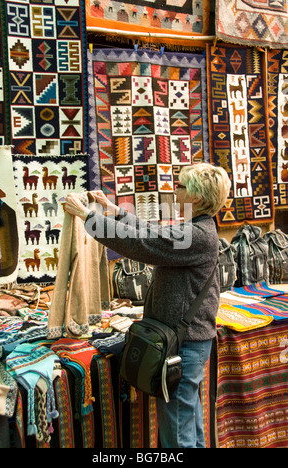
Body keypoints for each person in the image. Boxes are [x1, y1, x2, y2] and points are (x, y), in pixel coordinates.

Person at [64, 163, 231, 448]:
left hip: (184, 345)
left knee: (178, 434)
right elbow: (154, 233)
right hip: (186, 341)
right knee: (187, 422)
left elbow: (144, 243)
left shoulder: (197, 236)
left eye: (180, 186)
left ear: (197, 197)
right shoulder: (195, 228)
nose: (174, 191)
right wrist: (114, 210)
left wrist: (88, 217)